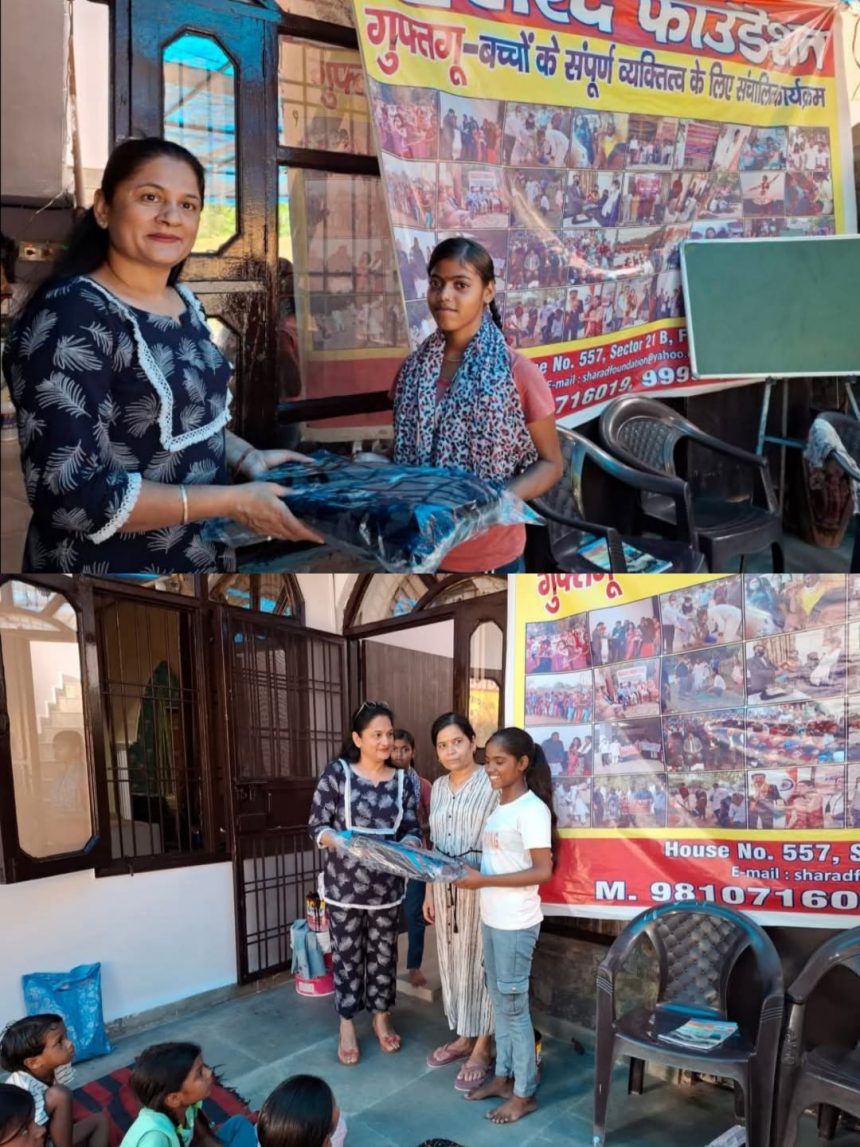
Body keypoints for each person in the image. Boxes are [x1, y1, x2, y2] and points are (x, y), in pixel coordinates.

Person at [2, 137, 322, 572]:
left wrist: (247, 457)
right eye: (150, 197)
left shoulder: (183, 302)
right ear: (103, 208)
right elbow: (70, 494)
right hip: (111, 570)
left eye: (188, 205)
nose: (171, 217)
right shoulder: (72, 315)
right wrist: (232, 500)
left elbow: (177, 421)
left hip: (199, 555)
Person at [391, 237, 562, 573]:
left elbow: (552, 464)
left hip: (491, 556)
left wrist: (497, 504)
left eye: (461, 285)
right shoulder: (411, 372)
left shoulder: (517, 375)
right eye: (437, 284)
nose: (444, 296)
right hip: (416, 549)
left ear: (488, 291)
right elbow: (404, 456)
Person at [308, 702, 422, 1066]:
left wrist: (411, 844)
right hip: (345, 889)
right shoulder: (337, 774)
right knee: (346, 955)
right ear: (358, 738)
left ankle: (381, 1016)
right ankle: (346, 1023)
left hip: (387, 890)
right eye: (377, 735)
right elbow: (316, 826)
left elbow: (412, 830)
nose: (386, 741)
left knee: (384, 955)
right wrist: (340, 842)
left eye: (389, 734)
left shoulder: (404, 781)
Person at [455, 727, 554, 1125]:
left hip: (516, 924)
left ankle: (524, 1093)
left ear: (522, 763)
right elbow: (501, 865)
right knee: (499, 1003)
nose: (490, 769)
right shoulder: (500, 808)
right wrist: (472, 872)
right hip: (493, 919)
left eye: (499, 762)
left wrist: (483, 880)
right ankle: (503, 1077)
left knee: (514, 1008)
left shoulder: (533, 810)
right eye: (488, 761)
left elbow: (542, 871)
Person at [424, 714, 497, 1092]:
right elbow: (433, 843)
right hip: (443, 886)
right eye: (442, 744)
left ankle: (484, 1045)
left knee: (480, 962)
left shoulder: (492, 781)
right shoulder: (436, 787)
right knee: (452, 963)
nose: (451, 750)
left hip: (480, 883)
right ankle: (464, 1035)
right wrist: (427, 891)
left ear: (472, 741)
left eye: (457, 741)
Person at [120, 1042, 254, 1147]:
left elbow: (205, 1139)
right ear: (174, 1098)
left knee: (239, 1123)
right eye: (200, 1073)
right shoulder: (154, 1137)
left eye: (204, 1066)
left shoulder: (186, 1105)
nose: (209, 1073)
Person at [0, 1016, 107, 1147]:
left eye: (66, 1036)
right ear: (33, 1062)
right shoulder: (24, 1087)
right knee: (60, 1095)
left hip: (48, 1136)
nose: (69, 1043)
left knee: (100, 1120)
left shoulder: (55, 1068)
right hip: (34, 1141)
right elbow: (35, 1134)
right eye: (59, 1042)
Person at [391, 727, 432, 989]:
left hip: (416, 856)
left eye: (404, 749)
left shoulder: (424, 785)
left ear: (412, 751)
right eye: (394, 749)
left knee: (413, 912)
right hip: (385, 857)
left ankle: (414, 965)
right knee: (387, 913)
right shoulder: (380, 781)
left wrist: (416, 834)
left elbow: (433, 821)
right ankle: (385, 964)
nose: (399, 754)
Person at [257, 1075, 346, 1147]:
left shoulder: (271, 1136)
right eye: (334, 1104)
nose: (338, 1108)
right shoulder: (336, 1132)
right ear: (326, 1141)